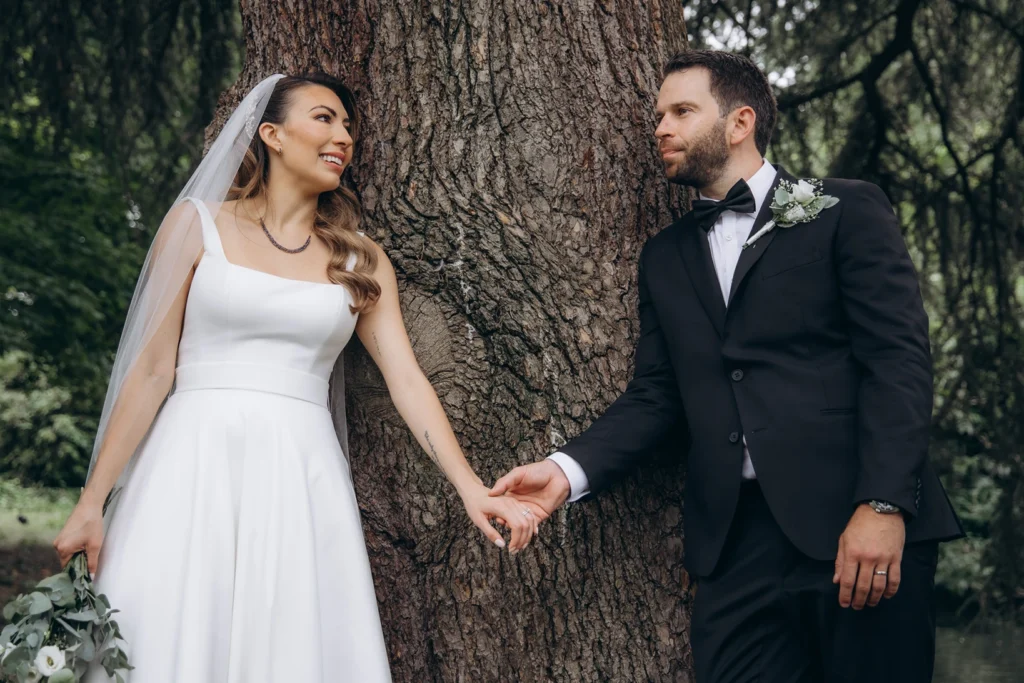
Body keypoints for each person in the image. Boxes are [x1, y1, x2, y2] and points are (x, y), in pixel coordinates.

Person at [491, 50, 964, 683]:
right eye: (658, 114)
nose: (660, 127)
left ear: (740, 122)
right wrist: (564, 472)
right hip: (735, 545)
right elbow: (659, 394)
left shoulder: (844, 209)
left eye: (682, 111)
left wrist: (882, 504)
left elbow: (898, 362)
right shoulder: (665, 257)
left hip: (856, 524)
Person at [53, 72, 537, 683]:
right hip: (190, 463)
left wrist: (470, 487)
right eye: (325, 118)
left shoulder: (360, 259)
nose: (343, 137)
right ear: (272, 135)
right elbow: (152, 371)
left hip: (298, 475)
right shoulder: (195, 225)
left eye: (349, 127)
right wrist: (91, 502)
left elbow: (407, 380)